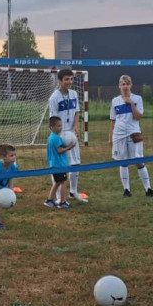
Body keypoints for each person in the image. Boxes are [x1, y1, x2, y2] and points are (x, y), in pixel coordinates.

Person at [109, 75, 153, 197]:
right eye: (123, 84)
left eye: (127, 83)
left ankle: (148, 189)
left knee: (139, 161)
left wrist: (131, 104)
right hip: (119, 135)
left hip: (134, 132)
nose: (125, 86)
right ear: (119, 86)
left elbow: (138, 117)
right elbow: (113, 120)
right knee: (123, 162)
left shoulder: (137, 98)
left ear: (131, 85)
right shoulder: (115, 101)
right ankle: (126, 190)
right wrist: (111, 137)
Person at [49, 69, 86, 203]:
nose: (69, 82)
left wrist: (75, 127)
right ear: (60, 81)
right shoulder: (54, 98)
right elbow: (53, 119)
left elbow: (76, 112)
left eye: (71, 79)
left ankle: (73, 192)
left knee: (76, 163)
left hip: (72, 134)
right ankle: (59, 197)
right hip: (60, 135)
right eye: (66, 79)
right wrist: (59, 136)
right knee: (60, 167)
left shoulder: (74, 94)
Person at [44, 117, 75, 209]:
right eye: (58, 126)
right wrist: (69, 147)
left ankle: (49, 200)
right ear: (51, 127)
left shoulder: (51, 137)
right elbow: (59, 150)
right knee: (63, 183)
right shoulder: (56, 138)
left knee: (57, 182)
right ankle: (62, 202)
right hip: (59, 165)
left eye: (61, 125)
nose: (60, 128)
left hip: (54, 164)